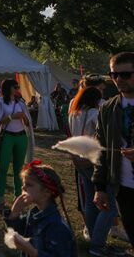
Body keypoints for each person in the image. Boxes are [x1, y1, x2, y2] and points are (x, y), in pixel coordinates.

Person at [68, 86, 118, 256]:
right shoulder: (93, 114)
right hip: (92, 161)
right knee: (109, 206)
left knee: (91, 201)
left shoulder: (74, 113)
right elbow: (104, 134)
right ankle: (97, 244)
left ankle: (93, 238)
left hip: (78, 159)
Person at [93, 52, 134, 248]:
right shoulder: (107, 108)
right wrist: (100, 187)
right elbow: (101, 150)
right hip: (123, 188)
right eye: (113, 75)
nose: (118, 79)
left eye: (125, 74)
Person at [5, 160, 75, 256]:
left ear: (47, 191)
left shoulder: (57, 226)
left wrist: (33, 253)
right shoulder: (34, 214)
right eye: (23, 184)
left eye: (29, 185)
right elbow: (17, 233)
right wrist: (14, 213)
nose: (23, 188)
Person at [0, 79, 35, 211]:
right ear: (8, 88)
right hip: (7, 136)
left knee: (18, 169)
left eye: (18, 87)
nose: (18, 89)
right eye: (15, 87)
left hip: (21, 137)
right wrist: (12, 117)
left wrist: (24, 118)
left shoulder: (20, 102)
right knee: (3, 169)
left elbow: (27, 124)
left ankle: (18, 197)